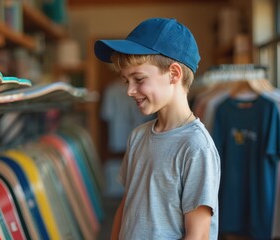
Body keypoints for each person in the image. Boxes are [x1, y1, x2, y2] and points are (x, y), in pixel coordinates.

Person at [94, 18, 221, 239]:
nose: (130, 91)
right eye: (126, 81)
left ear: (173, 74)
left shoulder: (196, 147)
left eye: (139, 79)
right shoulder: (137, 136)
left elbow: (198, 235)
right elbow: (126, 207)